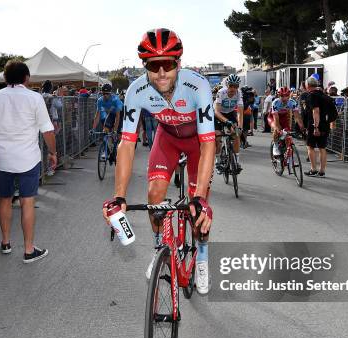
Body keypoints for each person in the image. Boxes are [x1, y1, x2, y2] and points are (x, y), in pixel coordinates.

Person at [102, 28, 215, 295]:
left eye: (168, 64)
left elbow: (209, 142)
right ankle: (159, 247)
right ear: (146, 67)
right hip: (167, 139)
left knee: (198, 212)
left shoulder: (198, 85)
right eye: (154, 66)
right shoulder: (136, 90)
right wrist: (119, 196)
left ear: (178, 63)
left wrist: (199, 197)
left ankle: (201, 256)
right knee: (154, 196)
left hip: (197, 142)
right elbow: (127, 143)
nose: (161, 73)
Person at [0, 60, 57, 263]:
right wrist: (53, 152)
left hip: (3, 159)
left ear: (4, 78)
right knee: (27, 202)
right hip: (28, 159)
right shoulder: (34, 98)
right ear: (27, 78)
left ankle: (5, 242)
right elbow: (47, 130)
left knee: (4, 199)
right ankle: (29, 250)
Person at [303, 76, 332, 177]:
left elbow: (316, 111)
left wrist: (316, 127)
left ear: (308, 85)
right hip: (325, 124)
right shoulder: (323, 95)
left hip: (315, 124)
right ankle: (322, 171)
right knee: (322, 148)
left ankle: (313, 169)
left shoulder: (312, 96)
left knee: (310, 147)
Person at [214, 74, 243, 173]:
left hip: (230, 113)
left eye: (235, 86)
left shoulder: (239, 93)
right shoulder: (221, 92)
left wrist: (240, 126)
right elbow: (217, 111)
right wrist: (226, 121)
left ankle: (237, 162)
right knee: (217, 137)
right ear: (227, 85)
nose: (233, 88)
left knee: (236, 135)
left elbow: (239, 112)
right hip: (218, 114)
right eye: (231, 86)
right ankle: (218, 162)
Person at [268, 86, 304, 158]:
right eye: (282, 96)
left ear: (289, 95)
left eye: (286, 96)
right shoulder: (275, 102)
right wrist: (279, 129)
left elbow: (297, 116)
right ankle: (275, 146)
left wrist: (302, 127)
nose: (284, 98)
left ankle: (287, 152)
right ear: (279, 95)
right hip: (273, 117)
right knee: (277, 130)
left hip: (284, 117)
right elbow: (276, 118)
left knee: (287, 133)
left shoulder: (292, 102)